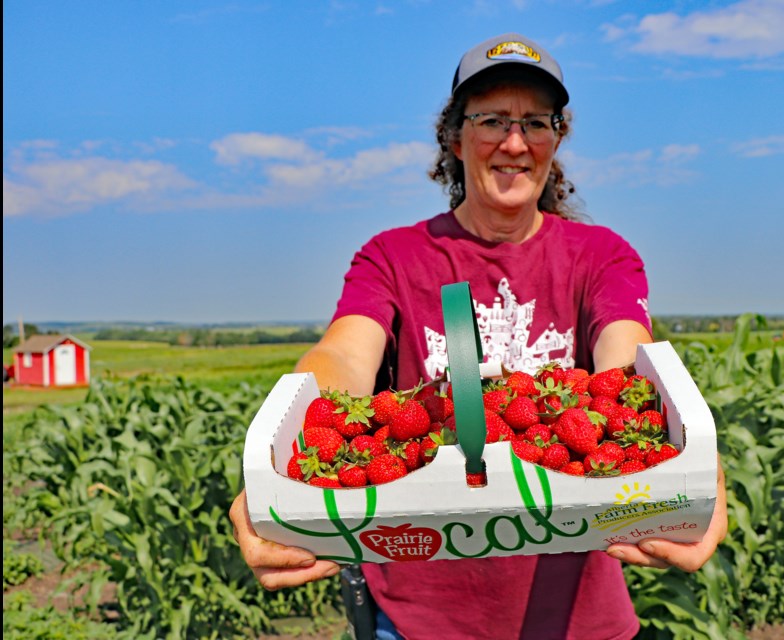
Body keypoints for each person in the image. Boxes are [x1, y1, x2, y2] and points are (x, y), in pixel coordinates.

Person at [230, 32, 728, 640]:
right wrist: (277, 459)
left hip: (575, 621)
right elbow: (342, 355)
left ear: (556, 139)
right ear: (454, 136)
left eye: (536, 123)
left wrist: (692, 456)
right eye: (491, 119)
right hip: (418, 618)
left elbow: (626, 369)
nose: (514, 143)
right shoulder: (395, 256)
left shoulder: (600, 256)